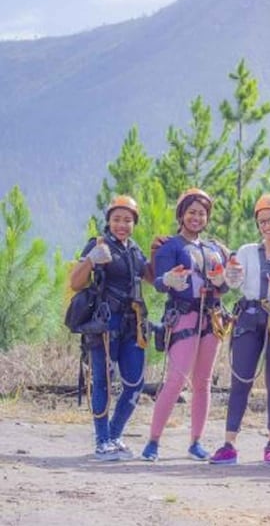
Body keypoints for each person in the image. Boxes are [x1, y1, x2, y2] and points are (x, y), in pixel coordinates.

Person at [208, 194, 270, 465]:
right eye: (262, 221)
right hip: (250, 315)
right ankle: (229, 444)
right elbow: (236, 281)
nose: (267, 225)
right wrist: (227, 277)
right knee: (241, 379)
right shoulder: (245, 251)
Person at [141, 187, 231, 462]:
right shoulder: (171, 246)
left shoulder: (215, 249)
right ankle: (153, 441)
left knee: (203, 382)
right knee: (176, 379)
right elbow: (158, 282)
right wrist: (169, 280)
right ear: (181, 215)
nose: (196, 217)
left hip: (211, 318)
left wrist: (221, 282)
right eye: (191, 212)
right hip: (184, 316)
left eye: (201, 213)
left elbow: (225, 285)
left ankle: (196, 442)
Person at [69, 195, 153, 461]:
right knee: (102, 381)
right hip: (105, 323)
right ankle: (101, 440)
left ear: (134, 223)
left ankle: (115, 435)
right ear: (108, 221)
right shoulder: (98, 244)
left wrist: (159, 253)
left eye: (127, 220)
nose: (122, 224)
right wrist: (91, 259)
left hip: (132, 324)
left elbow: (151, 276)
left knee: (135, 383)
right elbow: (75, 282)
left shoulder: (134, 249)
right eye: (116, 219)